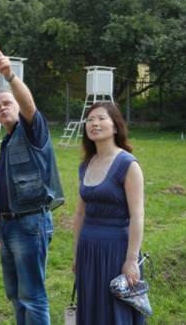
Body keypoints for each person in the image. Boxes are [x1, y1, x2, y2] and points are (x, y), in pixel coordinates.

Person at [0, 47, 64, 325]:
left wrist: (10, 76)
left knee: (32, 296)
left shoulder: (33, 131)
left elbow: (30, 105)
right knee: (15, 295)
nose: (2, 108)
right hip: (9, 225)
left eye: (7, 103)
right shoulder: (7, 142)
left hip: (30, 224)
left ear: (18, 105)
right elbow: (9, 187)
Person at [72, 102, 145, 324]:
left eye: (101, 118)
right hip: (88, 249)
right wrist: (76, 254)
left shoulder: (128, 164)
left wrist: (131, 260)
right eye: (90, 119)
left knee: (114, 312)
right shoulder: (86, 165)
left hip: (116, 250)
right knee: (92, 309)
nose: (94, 123)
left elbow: (137, 215)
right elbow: (80, 214)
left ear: (115, 126)